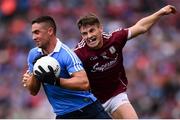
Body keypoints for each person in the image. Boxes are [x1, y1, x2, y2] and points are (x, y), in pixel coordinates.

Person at [74, 5, 176, 119]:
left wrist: (161, 12)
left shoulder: (114, 39)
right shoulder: (78, 54)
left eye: (92, 30)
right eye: (84, 33)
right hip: (93, 101)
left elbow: (141, 27)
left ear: (100, 29)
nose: (89, 36)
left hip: (115, 96)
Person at [22, 16, 111, 119]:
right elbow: (33, 91)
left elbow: (84, 83)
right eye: (33, 33)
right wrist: (35, 72)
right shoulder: (34, 54)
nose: (33, 37)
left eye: (37, 32)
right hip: (63, 115)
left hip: (87, 110)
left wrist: (56, 81)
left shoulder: (66, 54)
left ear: (50, 31)